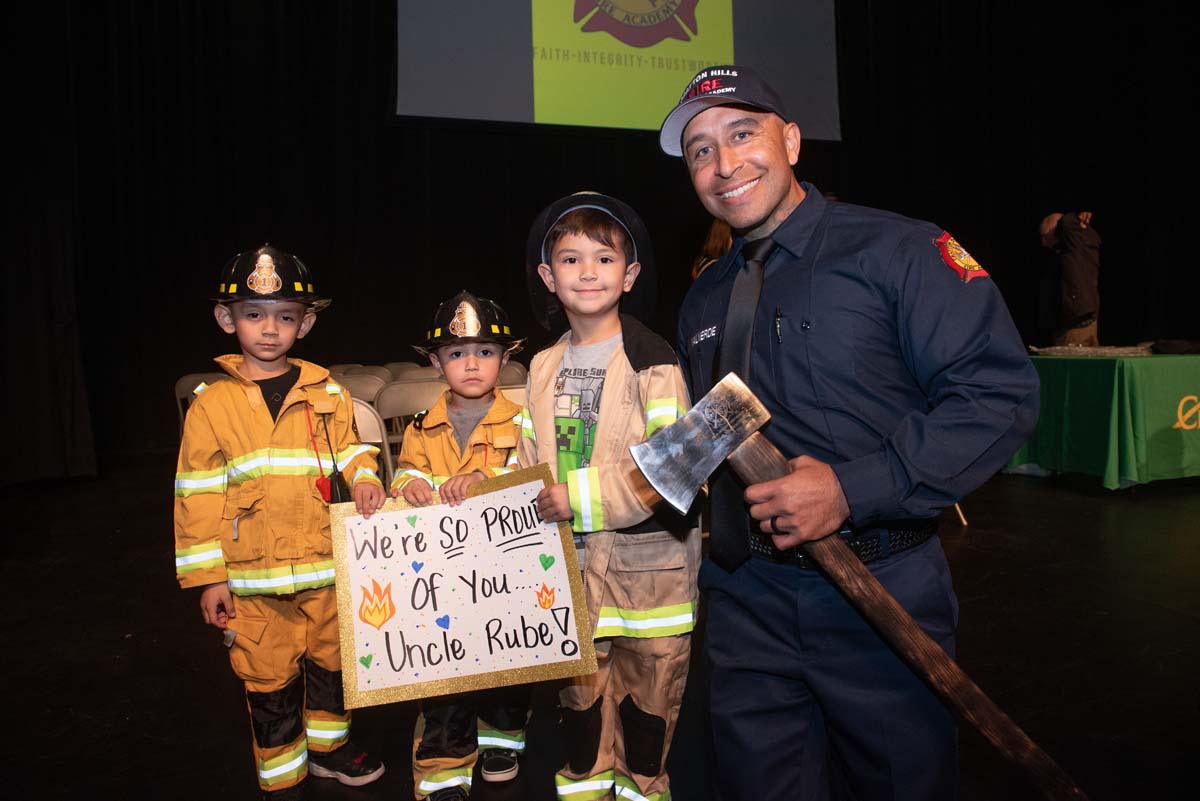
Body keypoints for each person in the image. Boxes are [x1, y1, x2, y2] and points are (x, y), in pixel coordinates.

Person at [661, 66, 1040, 800]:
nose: (724, 163)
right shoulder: (705, 296)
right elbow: (714, 431)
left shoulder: (898, 251)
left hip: (880, 597)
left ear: (793, 140)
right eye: (701, 150)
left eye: (743, 134)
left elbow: (999, 393)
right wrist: (623, 493)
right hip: (745, 606)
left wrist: (850, 487)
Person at [173, 245, 387, 800]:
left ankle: (329, 749)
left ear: (306, 323)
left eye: (285, 316)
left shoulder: (330, 394)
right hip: (252, 581)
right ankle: (282, 776)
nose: (269, 329)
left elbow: (352, 452)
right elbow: (194, 494)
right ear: (227, 320)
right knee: (268, 680)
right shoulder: (210, 405)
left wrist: (365, 477)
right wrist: (208, 578)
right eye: (252, 314)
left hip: (325, 567)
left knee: (335, 666)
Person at [520, 192, 701, 801]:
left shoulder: (656, 364)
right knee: (579, 713)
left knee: (646, 720)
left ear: (631, 275)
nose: (588, 272)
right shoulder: (541, 367)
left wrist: (576, 496)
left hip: (649, 582)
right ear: (549, 277)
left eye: (604, 258)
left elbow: (674, 473)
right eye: (571, 260)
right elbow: (526, 464)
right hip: (568, 576)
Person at [388, 289, 531, 801]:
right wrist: (408, 486)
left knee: (508, 663)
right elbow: (405, 473)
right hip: (443, 580)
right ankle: (444, 770)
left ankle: (501, 740)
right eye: (455, 354)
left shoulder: (524, 419)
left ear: (506, 357)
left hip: (505, 574)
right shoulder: (421, 428)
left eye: (486, 352)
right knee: (443, 676)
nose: (471, 364)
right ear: (434, 360)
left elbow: (534, 477)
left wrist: (485, 478)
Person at [1038, 210, 1101, 346]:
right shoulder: (1064, 251)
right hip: (1069, 324)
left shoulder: (1077, 245)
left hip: (1076, 326)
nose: (1043, 243)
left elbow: (1067, 222)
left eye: (1045, 236)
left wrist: (1077, 218)